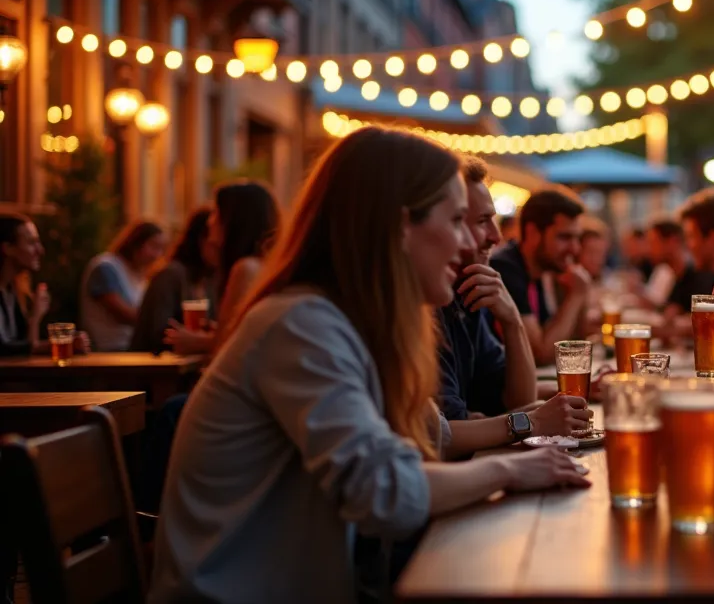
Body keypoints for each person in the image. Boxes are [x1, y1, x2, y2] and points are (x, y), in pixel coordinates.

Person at [150, 127, 588, 604]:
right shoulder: (302, 324)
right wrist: (509, 470)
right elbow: (386, 494)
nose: (469, 244)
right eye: (457, 219)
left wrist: (507, 439)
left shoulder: (351, 322)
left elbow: (429, 433)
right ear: (400, 226)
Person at [437, 155, 590, 438]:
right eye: (481, 220)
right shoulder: (503, 268)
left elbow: (517, 397)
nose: (496, 237)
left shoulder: (468, 289)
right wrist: (577, 295)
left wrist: (512, 320)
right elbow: (546, 353)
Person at [163, 180, 280, 355]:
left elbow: (232, 345)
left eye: (216, 213)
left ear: (235, 221)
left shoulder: (246, 269)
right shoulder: (263, 265)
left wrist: (196, 341)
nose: (210, 222)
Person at [489, 189, 590, 365]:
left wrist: (580, 294)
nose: (575, 249)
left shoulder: (542, 270)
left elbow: (579, 339)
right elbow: (540, 354)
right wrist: (576, 296)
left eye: (577, 238)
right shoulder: (505, 269)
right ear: (533, 232)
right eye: (564, 237)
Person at [130, 208, 218, 353]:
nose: (220, 247)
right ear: (200, 240)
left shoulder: (207, 280)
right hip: (153, 370)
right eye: (214, 243)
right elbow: (159, 335)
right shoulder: (170, 275)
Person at [0, 214, 89, 357]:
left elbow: (26, 348)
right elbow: (5, 349)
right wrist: (58, 345)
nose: (40, 250)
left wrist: (35, 317)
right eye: (31, 243)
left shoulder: (11, 290)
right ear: (8, 248)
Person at [79, 220, 167, 351]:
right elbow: (123, 315)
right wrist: (161, 322)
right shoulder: (106, 267)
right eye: (153, 247)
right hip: (108, 352)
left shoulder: (139, 277)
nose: (157, 255)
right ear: (135, 243)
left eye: (161, 249)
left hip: (130, 350)